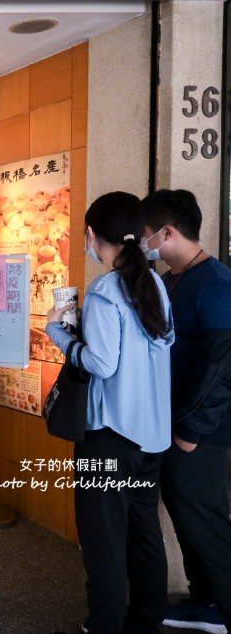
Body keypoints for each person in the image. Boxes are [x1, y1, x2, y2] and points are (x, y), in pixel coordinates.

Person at [46, 191, 174, 634]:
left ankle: (103, 625)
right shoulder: (154, 284)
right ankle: (146, 620)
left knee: (103, 540)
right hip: (152, 435)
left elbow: (102, 364)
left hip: (110, 436)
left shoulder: (105, 291)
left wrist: (58, 333)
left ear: (90, 235)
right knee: (143, 534)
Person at [142, 189, 231, 633]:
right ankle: (206, 600)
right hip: (173, 423)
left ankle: (224, 606)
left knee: (204, 518)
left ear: (167, 232)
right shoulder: (171, 277)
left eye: (145, 235)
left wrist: (192, 430)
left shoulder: (216, 284)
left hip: (202, 432)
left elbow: (220, 367)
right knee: (183, 512)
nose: (143, 243)